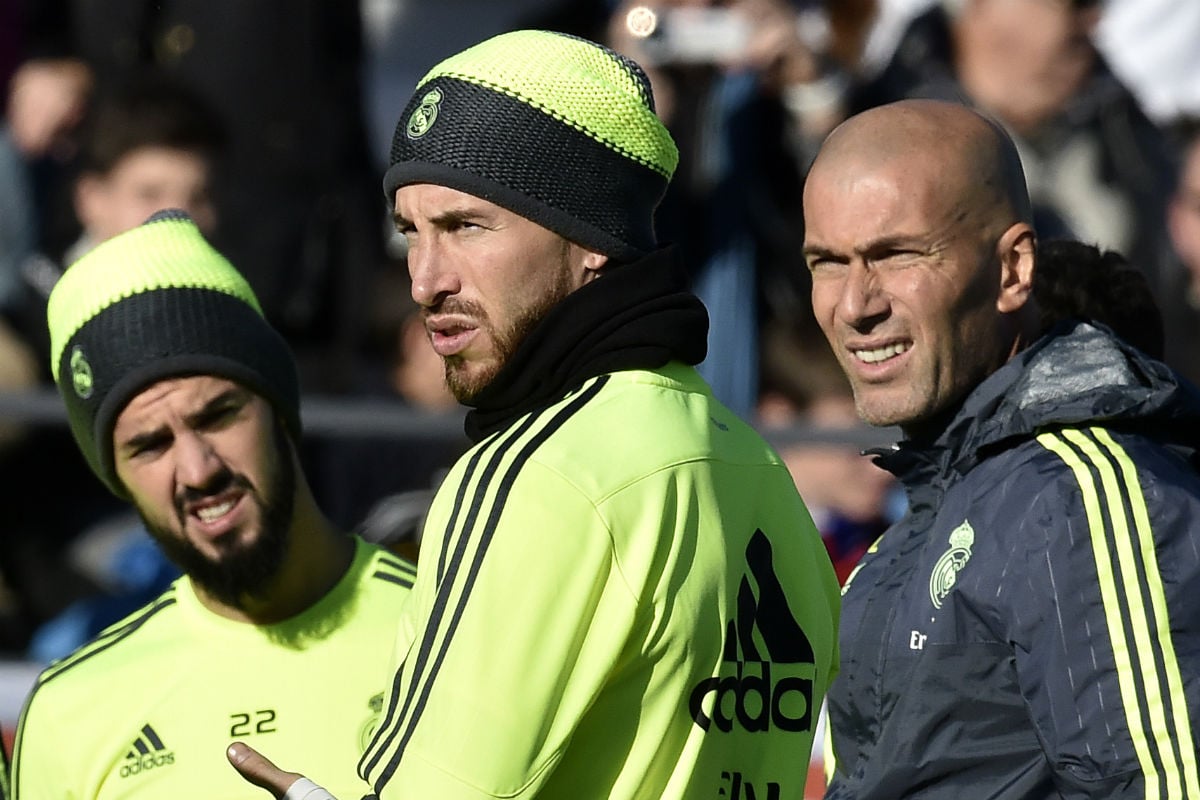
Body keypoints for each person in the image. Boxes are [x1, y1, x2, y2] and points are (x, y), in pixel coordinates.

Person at [229, 28, 841, 800]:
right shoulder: (758, 467)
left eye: (465, 226)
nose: (424, 280)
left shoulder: (536, 471)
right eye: (409, 233)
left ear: (591, 241)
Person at [802, 97, 1200, 798]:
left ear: (1014, 269)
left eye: (896, 254)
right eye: (827, 262)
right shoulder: (919, 527)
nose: (855, 304)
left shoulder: (1078, 497)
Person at [11, 210, 417, 798]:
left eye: (217, 415)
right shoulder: (69, 711)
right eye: (149, 446)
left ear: (277, 404)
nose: (198, 470)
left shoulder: (451, 630)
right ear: (116, 479)